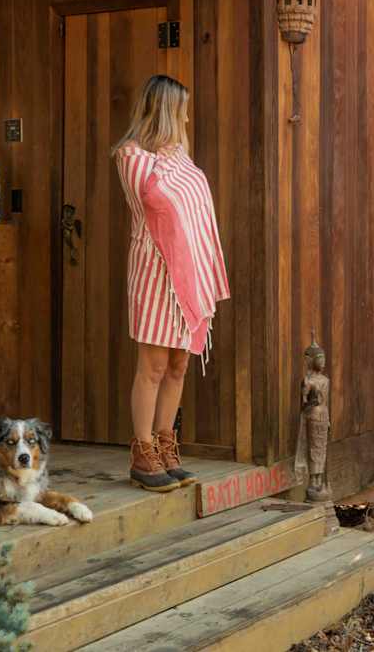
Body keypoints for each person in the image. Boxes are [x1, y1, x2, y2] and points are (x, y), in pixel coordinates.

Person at [113, 75, 230, 491]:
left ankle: (166, 445)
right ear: (165, 110)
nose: (187, 115)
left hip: (188, 277)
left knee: (179, 365)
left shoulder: (179, 157)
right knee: (154, 365)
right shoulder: (132, 157)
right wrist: (173, 167)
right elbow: (158, 200)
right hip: (153, 271)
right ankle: (143, 453)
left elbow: (196, 213)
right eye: (181, 108)